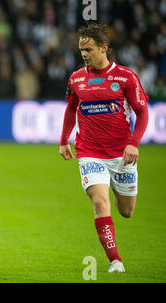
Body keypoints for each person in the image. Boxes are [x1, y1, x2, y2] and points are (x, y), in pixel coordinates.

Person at [59, 24, 149, 273]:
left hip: (122, 154)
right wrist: (64, 139)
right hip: (89, 152)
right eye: (81, 50)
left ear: (104, 47)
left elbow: (142, 113)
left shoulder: (125, 77)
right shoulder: (76, 78)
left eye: (88, 49)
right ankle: (115, 261)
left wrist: (133, 143)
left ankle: (115, 255)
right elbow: (70, 109)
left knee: (126, 211)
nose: (84, 54)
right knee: (100, 202)